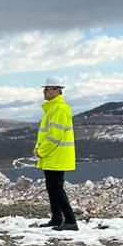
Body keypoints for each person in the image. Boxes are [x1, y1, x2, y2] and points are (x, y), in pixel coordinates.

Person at [33, 77, 78, 231]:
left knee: (56, 188)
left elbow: (54, 136)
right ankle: (57, 218)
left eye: (47, 89)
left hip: (57, 156)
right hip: (52, 156)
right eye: (44, 89)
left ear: (57, 90)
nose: (44, 92)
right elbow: (45, 134)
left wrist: (41, 151)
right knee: (52, 188)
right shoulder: (51, 108)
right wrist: (38, 148)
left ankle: (70, 221)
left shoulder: (60, 109)